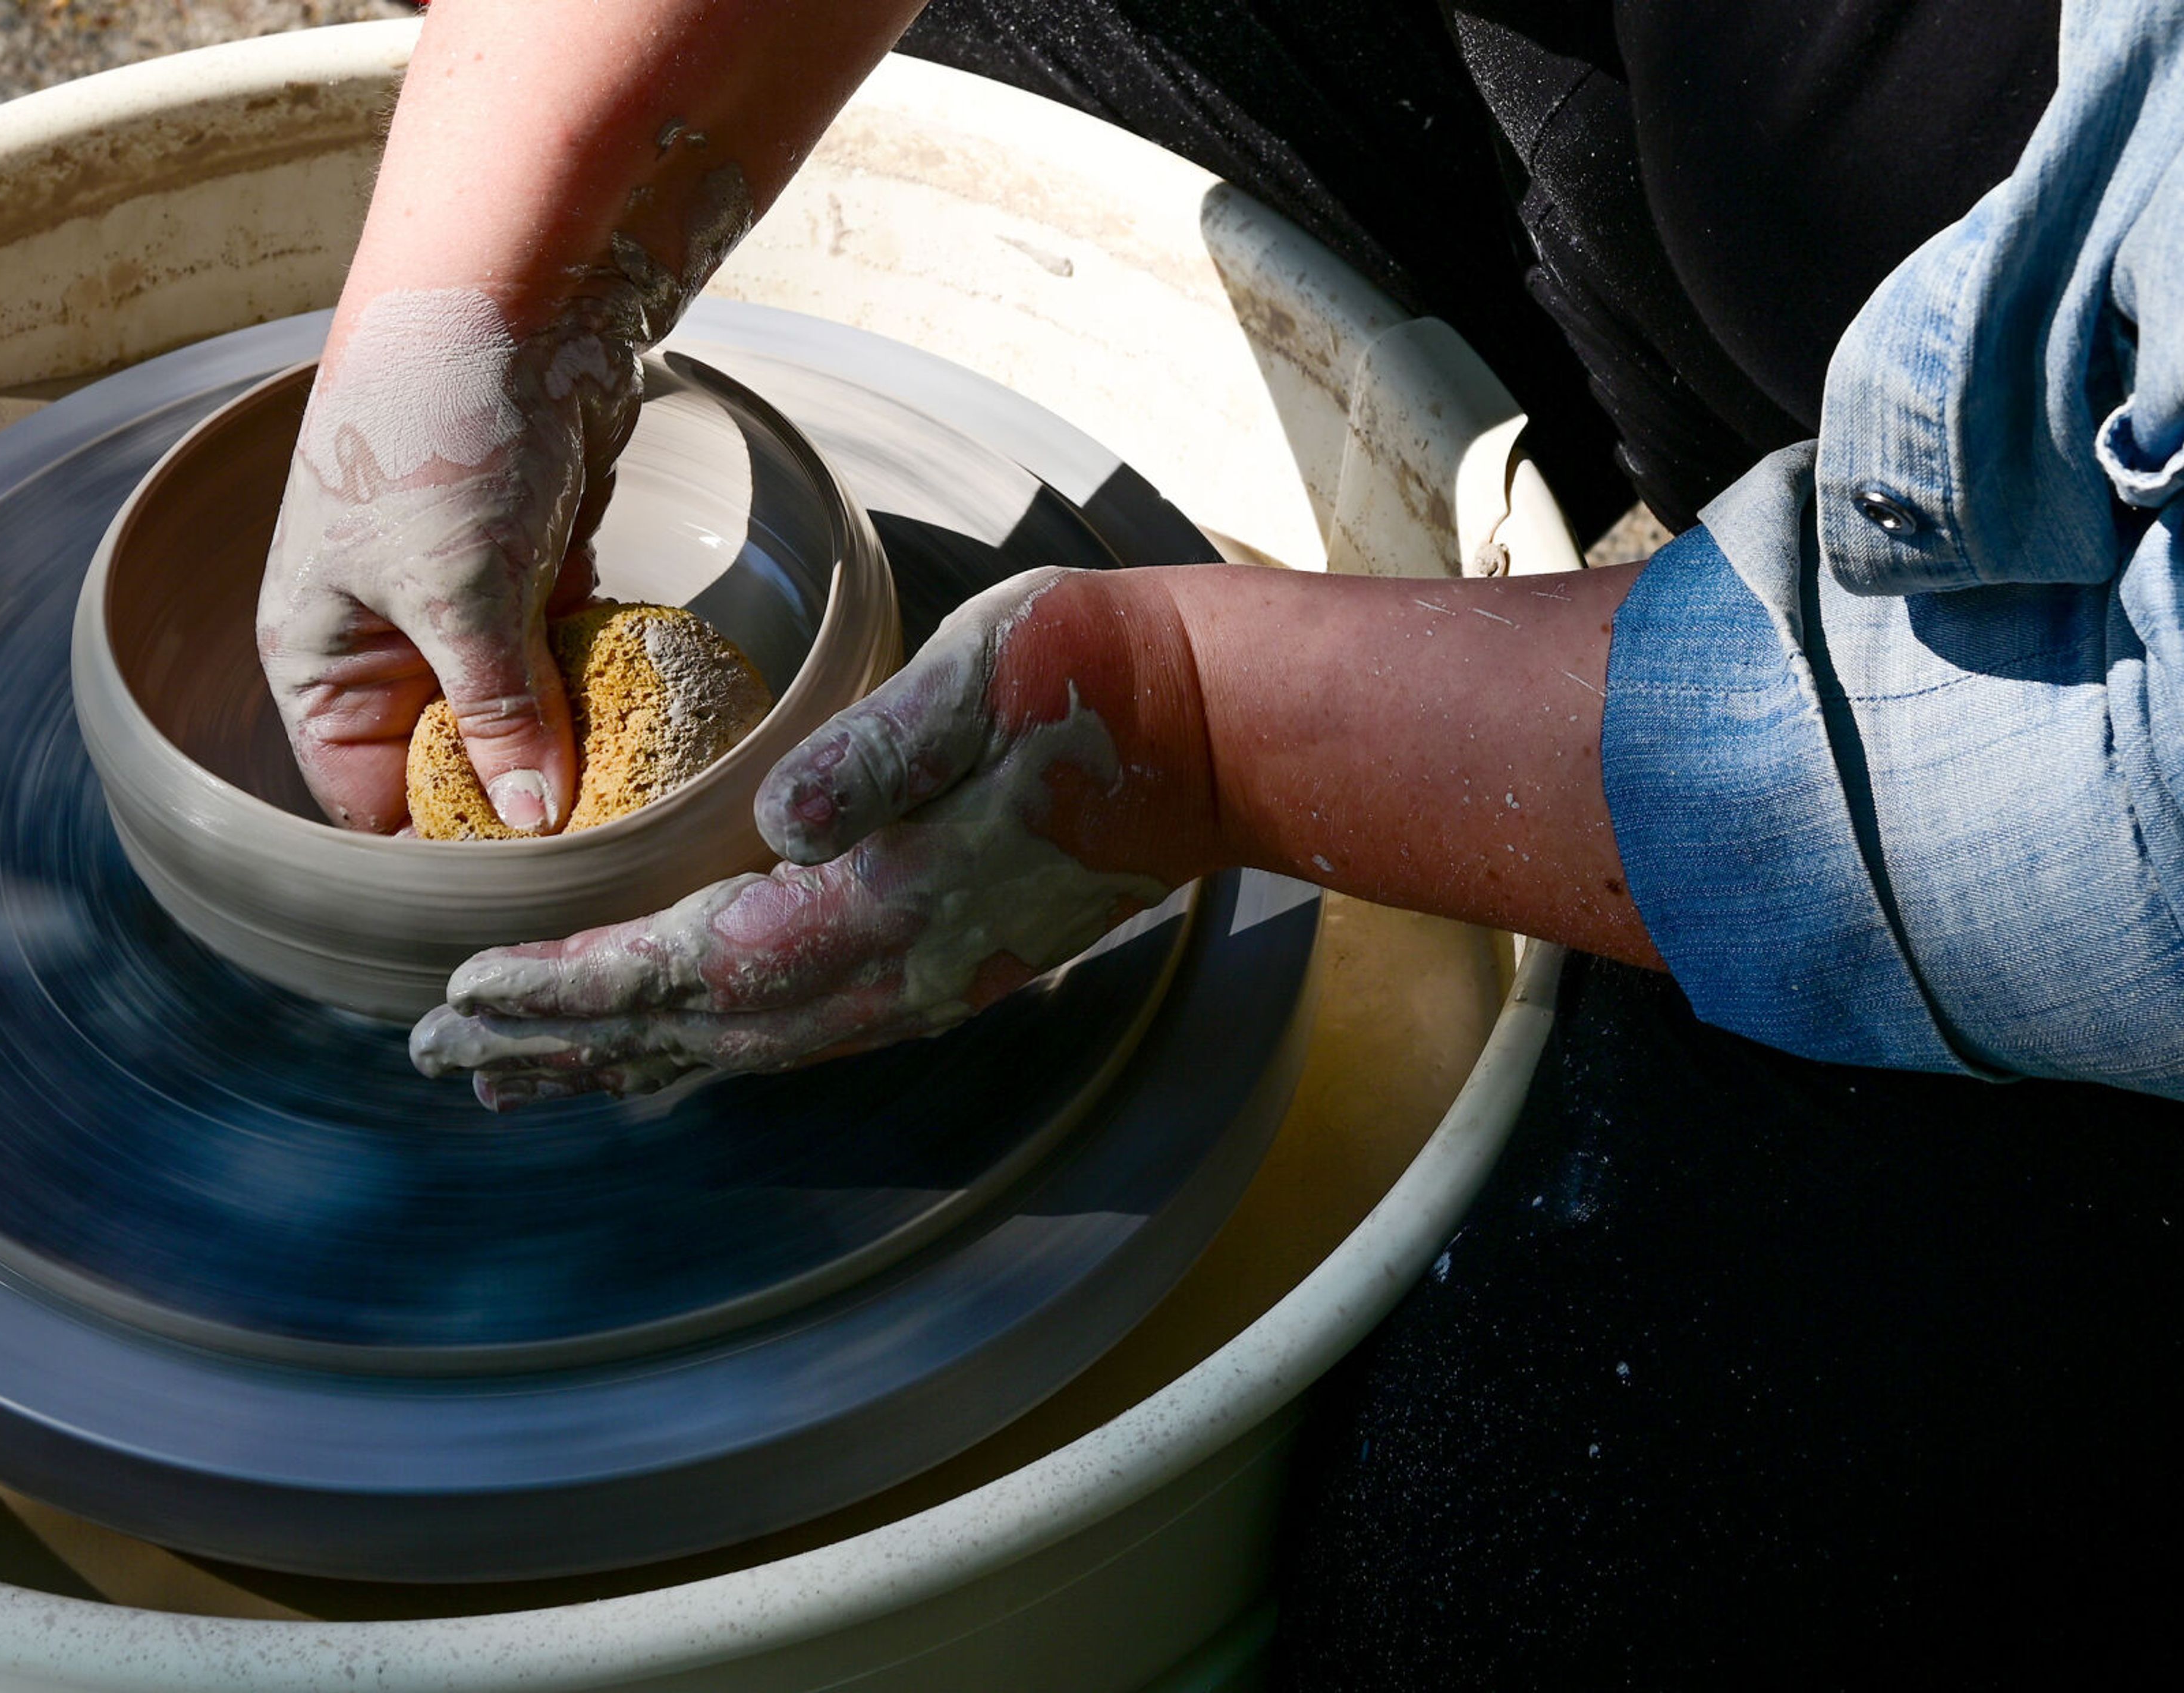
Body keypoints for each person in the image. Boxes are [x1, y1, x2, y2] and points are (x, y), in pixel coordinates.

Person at [259, 0, 2184, 1678]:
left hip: (2078, 705)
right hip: (1809, 155)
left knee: (1522, 1568)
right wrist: (490, 296)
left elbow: (2120, 800)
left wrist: (1192, 725)